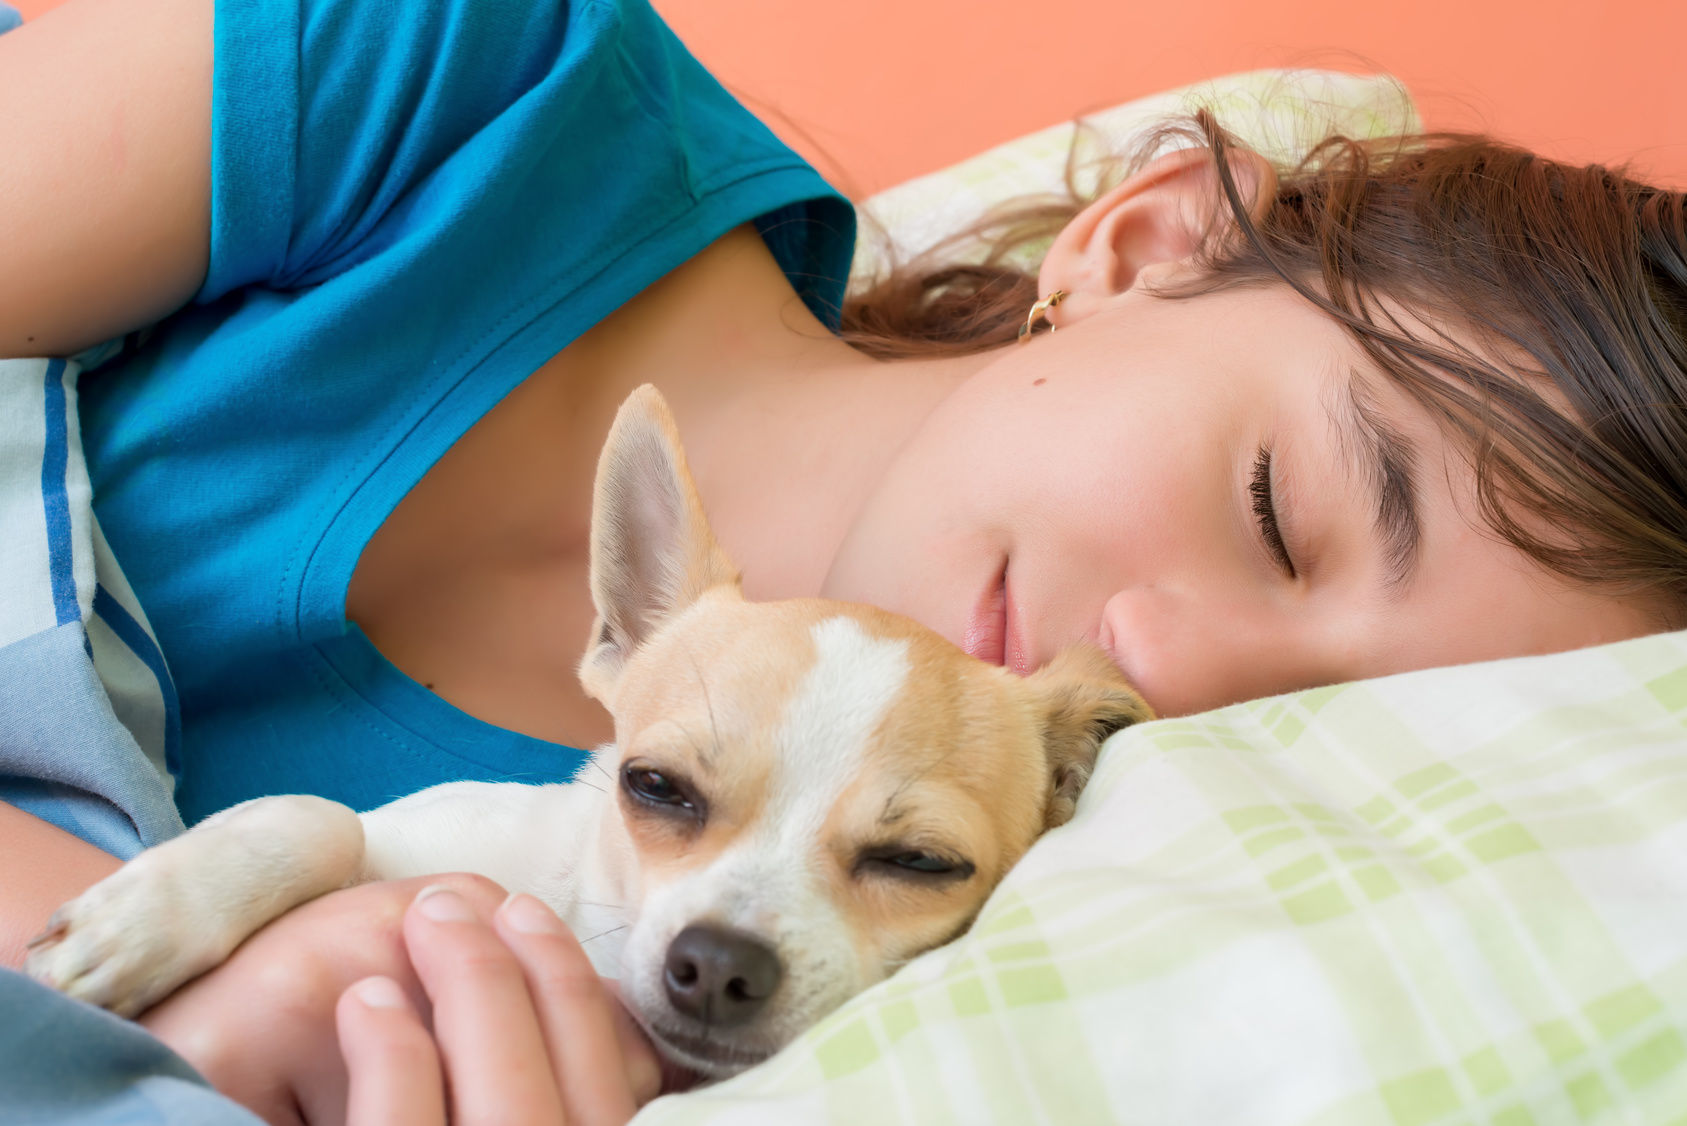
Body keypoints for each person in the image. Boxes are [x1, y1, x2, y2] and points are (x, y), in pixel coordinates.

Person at [1, 0, 1683, 1117]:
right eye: (1275, 511)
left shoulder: (726, 1029)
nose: (1169, 665)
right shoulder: (466, 71)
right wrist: (148, 983)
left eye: (1293, 725)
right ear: (1142, 243)